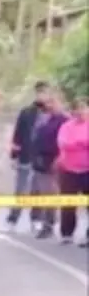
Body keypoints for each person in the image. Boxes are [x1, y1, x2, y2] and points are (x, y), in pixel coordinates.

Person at [7, 81, 53, 232]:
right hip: (25, 157)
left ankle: (36, 219)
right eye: (39, 92)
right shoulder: (26, 112)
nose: (42, 95)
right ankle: (12, 220)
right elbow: (17, 134)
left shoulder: (51, 114)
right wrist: (14, 155)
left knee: (37, 191)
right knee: (20, 190)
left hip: (41, 160)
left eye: (45, 92)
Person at [30, 93, 69, 239]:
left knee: (50, 194)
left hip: (53, 161)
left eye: (53, 102)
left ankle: (49, 225)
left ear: (60, 103)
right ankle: (44, 222)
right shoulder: (45, 119)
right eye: (48, 103)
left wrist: (58, 159)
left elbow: (63, 143)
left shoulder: (64, 121)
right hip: (40, 161)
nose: (49, 106)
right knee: (41, 193)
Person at [55, 95, 89, 247]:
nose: (81, 112)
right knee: (68, 203)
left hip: (87, 170)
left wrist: (76, 144)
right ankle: (67, 233)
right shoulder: (67, 126)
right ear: (74, 111)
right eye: (78, 109)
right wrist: (82, 143)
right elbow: (63, 144)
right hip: (68, 170)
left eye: (84, 108)